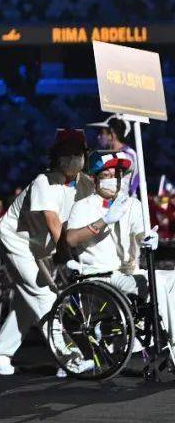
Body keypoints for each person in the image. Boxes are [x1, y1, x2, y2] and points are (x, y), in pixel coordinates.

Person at [0, 129, 92, 376]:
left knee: (26, 305)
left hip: (42, 248)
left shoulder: (84, 182)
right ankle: (70, 360)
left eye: (78, 153)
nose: (74, 158)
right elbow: (53, 222)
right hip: (17, 243)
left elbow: (96, 206)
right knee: (44, 295)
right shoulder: (44, 181)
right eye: (68, 153)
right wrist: (68, 257)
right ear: (57, 156)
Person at [62, 150, 175, 368]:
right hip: (100, 275)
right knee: (158, 284)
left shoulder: (131, 204)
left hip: (130, 272)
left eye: (117, 174)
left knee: (172, 279)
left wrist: (149, 238)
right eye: (107, 175)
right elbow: (72, 239)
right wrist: (104, 220)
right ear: (95, 178)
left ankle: (171, 342)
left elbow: (141, 231)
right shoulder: (83, 206)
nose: (113, 179)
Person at [89, 115, 140, 196]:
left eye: (102, 133)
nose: (99, 137)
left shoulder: (126, 156)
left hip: (122, 205)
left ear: (111, 135)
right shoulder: (113, 155)